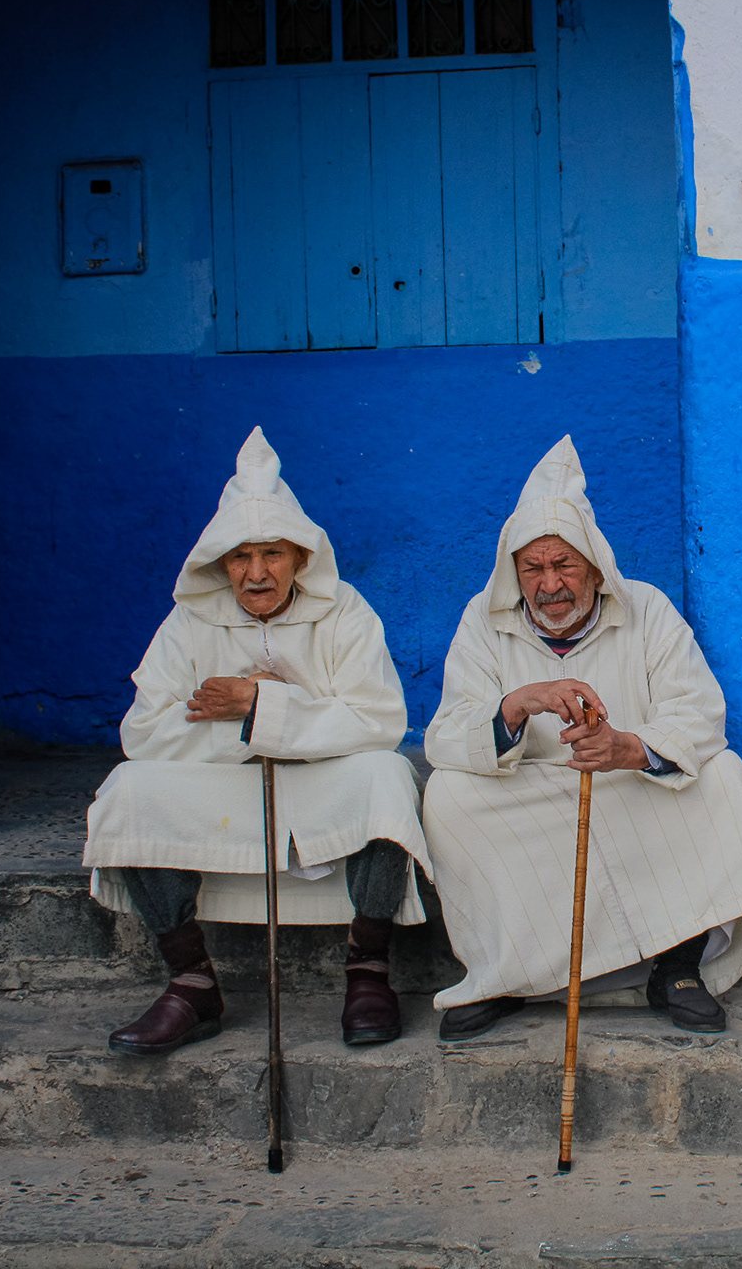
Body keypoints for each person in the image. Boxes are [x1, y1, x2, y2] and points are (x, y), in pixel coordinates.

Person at [83, 428, 431, 1055]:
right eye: (240, 558)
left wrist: (265, 706)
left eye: (271, 554)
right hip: (223, 783)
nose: (256, 573)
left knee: (386, 776)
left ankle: (368, 970)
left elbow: (379, 720)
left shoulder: (344, 610)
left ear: (299, 557)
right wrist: (241, 719)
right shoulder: (190, 621)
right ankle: (191, 983)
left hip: (322, 781)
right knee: (127, 788)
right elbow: (140, 732)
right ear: (220, 565)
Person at [421, 435, 742, 1041]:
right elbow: (446, 735)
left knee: (724, 777)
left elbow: (699, 712)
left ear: (594, 566)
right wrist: (515, 704)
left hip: (626, 783)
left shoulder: (648, 608)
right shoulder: (482, 621)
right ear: (513, 575)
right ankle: (508, 976)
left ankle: (677, 965)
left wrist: (628, 749)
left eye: (565, 564)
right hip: (531, 793)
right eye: (533, 568)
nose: (550, 583)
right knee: (449, 796)